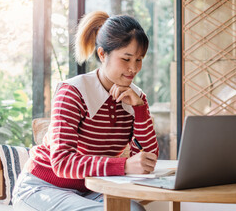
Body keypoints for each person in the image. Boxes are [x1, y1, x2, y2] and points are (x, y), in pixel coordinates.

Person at [12, 11, 159, 211]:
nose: (133, 68)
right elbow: (62, 163)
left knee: (135, 210)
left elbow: (146, 160)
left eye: (139, 59)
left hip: (91, 188)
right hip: (42, 187)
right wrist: (123, 166)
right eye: (126, 59)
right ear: (102, 54)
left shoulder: (135, 98)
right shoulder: (72, 92)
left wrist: (140, 110)